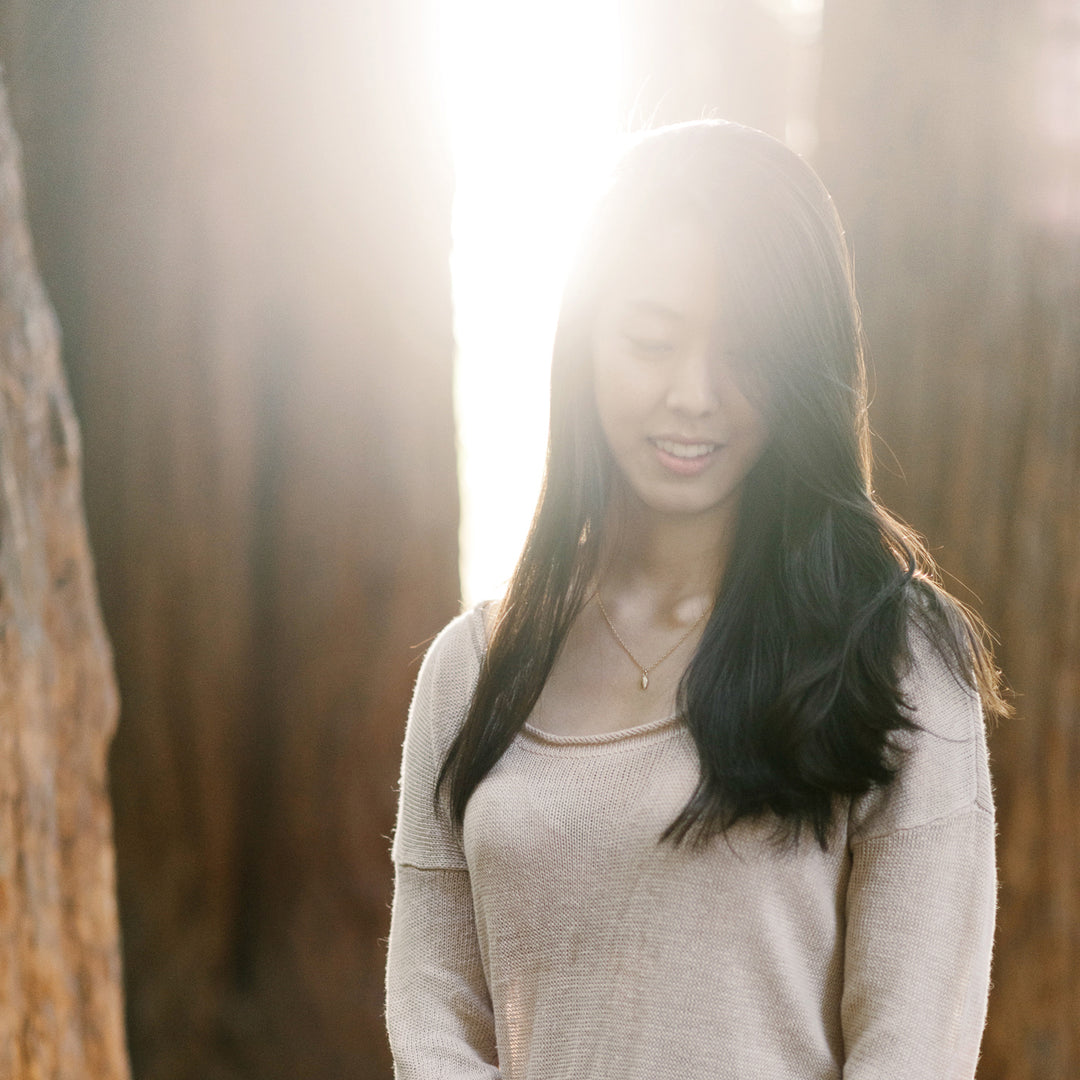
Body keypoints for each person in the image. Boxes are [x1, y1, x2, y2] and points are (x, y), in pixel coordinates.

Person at [385, 119, 1006, 1080]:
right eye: (651, 340)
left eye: (747, 350)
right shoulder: (471, 674)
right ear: (586, 345)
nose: (694, 392)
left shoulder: (896, 655)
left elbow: (914, 1045)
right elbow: (435, 1025)